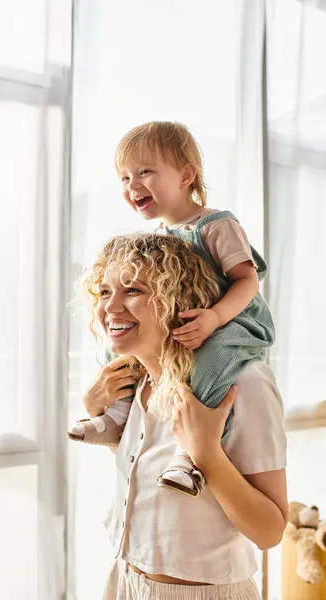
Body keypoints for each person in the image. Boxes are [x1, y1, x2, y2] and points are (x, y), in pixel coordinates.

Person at [67, 121, 275, 497]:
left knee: (209, 363)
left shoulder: (216, 225)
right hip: (193, 321)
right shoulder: (159, 239)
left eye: (145, 171)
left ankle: (189, 456)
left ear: (186, 175)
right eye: (125, 177)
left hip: (235, 322)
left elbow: (247, 281)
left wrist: (214, 318)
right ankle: (116, 416)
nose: (132, 185)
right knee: (117, 348)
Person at [79, 232, 287, 599]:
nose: (110, 307)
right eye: (105, 291)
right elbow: (149, 482)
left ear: (179, 300)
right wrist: (95, 411)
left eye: (133, 290)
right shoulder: (136, 383)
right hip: (125, 581)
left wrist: (206, 454)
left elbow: (270, 531)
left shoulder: (244, 383)